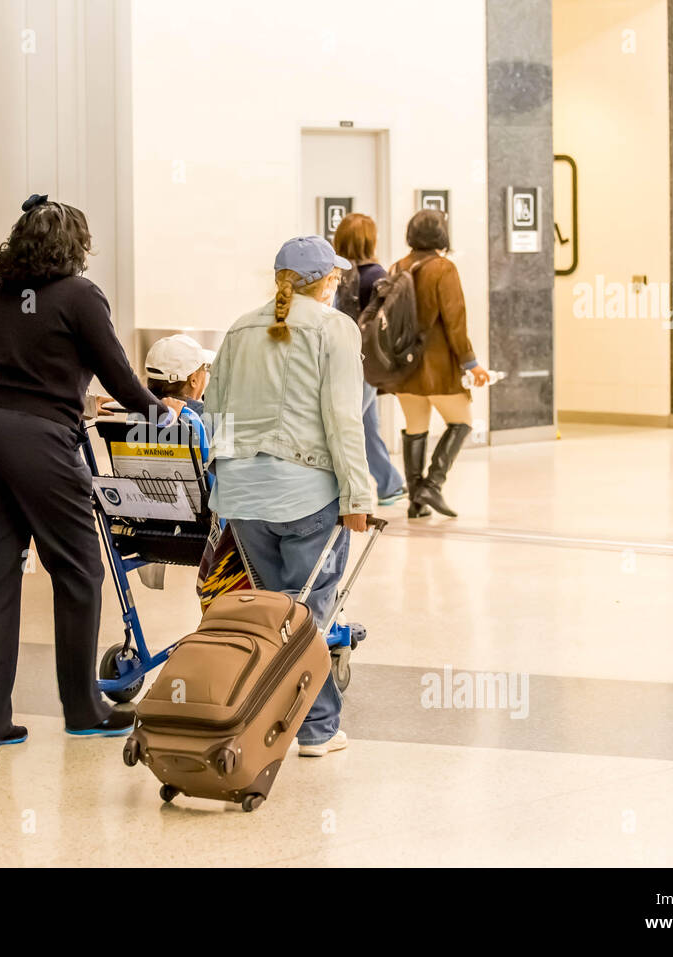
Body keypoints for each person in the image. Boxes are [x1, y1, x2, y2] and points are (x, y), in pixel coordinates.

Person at [0, 193, 184, 748]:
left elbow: (30, 368)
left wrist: (77, 398)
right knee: (79, 572)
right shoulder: (81, 296)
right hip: (40, 445)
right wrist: (165, 416)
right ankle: (84, 708)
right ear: (75, 246)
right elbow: (122, 376)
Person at [205, 235, 373, 758]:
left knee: (272, 613)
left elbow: (216, 415)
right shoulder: (334, 328)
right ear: (326, 281)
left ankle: (266, 718)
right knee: (307, 617)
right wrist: (358, 495)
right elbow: (344, 419)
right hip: (306, 496)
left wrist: (229, 483)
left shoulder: (239, 328)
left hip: (244, 496)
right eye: (336, 278)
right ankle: (316, 730)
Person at [393, 209, 489, 519]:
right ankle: (432, 485)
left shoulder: (397, 267)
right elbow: (455, 323)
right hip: (437, 370)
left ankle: (416, 501)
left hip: (404, 372)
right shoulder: (444, 269)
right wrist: (471, 363)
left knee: (415, 428)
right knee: (461, 423)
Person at [332, 212, 407, 506]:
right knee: (357, 424)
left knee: (359, 424)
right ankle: (386, 484)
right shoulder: (377, 276)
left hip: (345, 360)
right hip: (366, 363)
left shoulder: (338, 274)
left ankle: (388, 484)